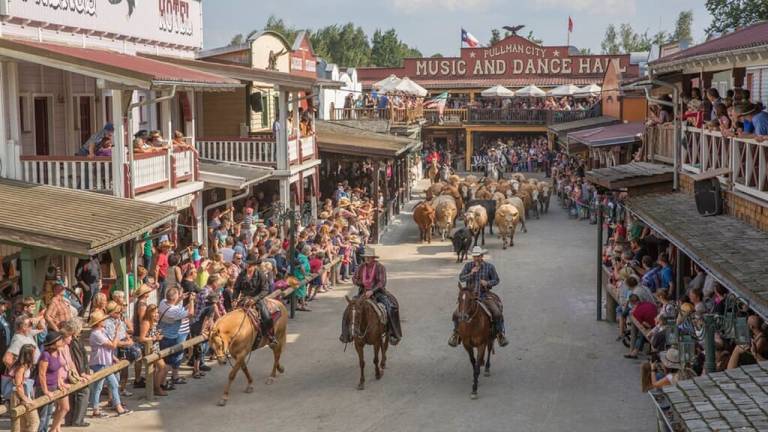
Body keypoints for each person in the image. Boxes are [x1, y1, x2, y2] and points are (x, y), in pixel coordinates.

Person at [340, 246, 402, 345]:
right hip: (363, 292)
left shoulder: (380, 267)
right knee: (349, 309)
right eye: (366, 257)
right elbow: (354, 278)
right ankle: (346, 334)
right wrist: (360, 282)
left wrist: (372, 291)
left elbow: (382, 282)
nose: (367, 259)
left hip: (378, 292)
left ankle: (393, 333)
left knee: (391, 306)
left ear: (373, 258)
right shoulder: (361, 267)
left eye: (369, 257)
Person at [449, 246, 508, 347]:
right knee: (455, 315)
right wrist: (471, 273)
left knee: (497, 313)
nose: (476, 258)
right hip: (469, 297)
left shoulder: (489, 267)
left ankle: (500, 334)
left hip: (484, 295)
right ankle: (456, 333)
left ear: (482, 256)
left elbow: (496, 280)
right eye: (474, 256)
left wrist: (488, 283)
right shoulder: (468, 266)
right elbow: (461, 278)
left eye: (478, 256)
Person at [88, 310, 132, 417]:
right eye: (103, 320)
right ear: (98, 322)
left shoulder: (101, 332)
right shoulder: (96, 334)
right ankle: (101, 409)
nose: (105, 321)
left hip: (105, 362)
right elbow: (112, 345)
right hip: (99, 363)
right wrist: (117, 333)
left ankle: (115, 407)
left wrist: (114, 358)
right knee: (100, 386)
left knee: (112, 384)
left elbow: (106, 348)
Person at [157, 287, 195, 386]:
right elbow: (190, 314)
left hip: (162, 336)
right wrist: (191, 301)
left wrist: (180, 299)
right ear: (174, 298)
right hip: (170, 338)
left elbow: (173, 304)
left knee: (164, 361)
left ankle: (163, 382)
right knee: (168, 363)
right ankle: (163, 383)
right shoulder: (174, 311)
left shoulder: (162, 302)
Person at [233, 259, 275, 347]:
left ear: (255, 266)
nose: (248, 267)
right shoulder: (242, 274)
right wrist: (234, 299)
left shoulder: (261, 274)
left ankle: (270, 335)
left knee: (266, 316)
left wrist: (255, 299)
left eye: (250, 265)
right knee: (231, 313)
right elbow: (236, 288)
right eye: (247, 265)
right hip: (244, 298)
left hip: (257, 298)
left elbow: (265, 290)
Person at [37, 331, 69, 432]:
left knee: (49, 414)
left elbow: (57, 369)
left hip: (54, 386)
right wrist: (45, 390)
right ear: (54, 342)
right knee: (42, 415)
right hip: (44, 387)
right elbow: (42, 374)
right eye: (59, 339)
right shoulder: (45, 355)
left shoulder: (57, 352)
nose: (62, 341)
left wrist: (60, 382)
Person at [61, 319, 90, 428]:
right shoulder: (73, 341)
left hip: (74, 372)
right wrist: (81, 373)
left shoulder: (73, 340)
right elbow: (77, 359)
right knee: (83, 392)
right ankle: (78, 420)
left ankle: (71, 420)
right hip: (74, 372)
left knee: (73, 396)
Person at [137, 304, 168, 396]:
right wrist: (155, 338)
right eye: (154, 313)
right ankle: (157, 388)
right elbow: (141, 338)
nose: (156, 314)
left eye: (157, 312)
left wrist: (157, 335)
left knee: (155, 370)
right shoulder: (146, 322)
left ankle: (155, 387)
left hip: (155, 348)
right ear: (149, 313)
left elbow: (150, 334)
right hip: (150, 349)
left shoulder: (153, 321)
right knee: (163, 368)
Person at [9, 344, 40, 432]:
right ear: (29, 354)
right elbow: (18, 386)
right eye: (34, 353)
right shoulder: (21, 367)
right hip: (19, 396)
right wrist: (25, 399)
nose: (35, 355)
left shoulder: (25, 365)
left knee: (23, 424)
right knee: (34, 421)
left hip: (22, 394)